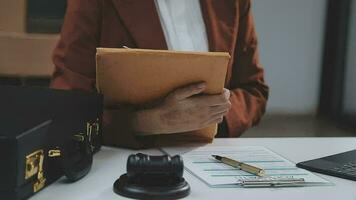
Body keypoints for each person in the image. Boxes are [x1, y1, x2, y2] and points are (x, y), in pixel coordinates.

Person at [51, 0, 269, 148]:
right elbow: (67, 107)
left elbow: (253, 90)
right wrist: (147, 123)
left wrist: (213, 118)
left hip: (209, 159)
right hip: (123, 163)